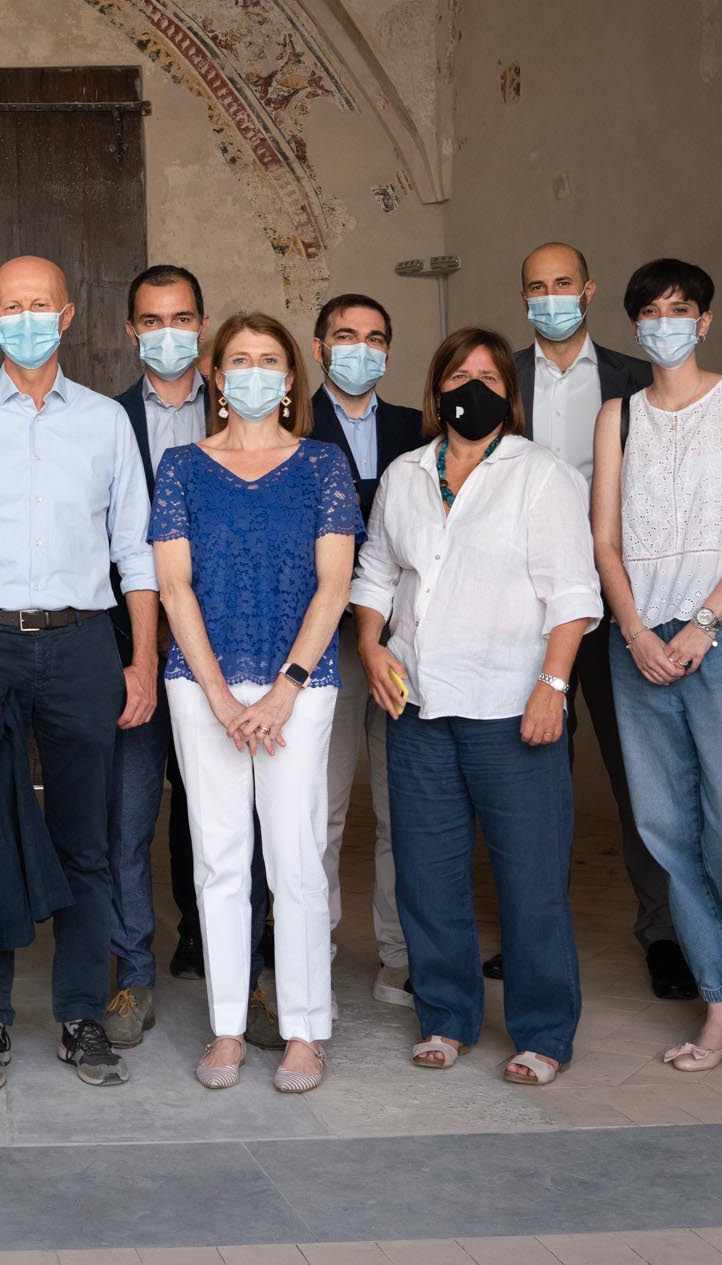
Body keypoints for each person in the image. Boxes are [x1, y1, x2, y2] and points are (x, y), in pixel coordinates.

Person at [0, 255, 158, 1091]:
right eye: (11, 306)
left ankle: (81, 1012)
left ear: (67, 315)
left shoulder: (104, 421)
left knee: (86, 839)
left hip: (83, 644)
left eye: (40, 304)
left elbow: (136, 551)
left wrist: (142, 659)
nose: (26, 318)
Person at [351, 327, 599, 1086]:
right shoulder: (405, 474)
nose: (473, 388)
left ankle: (543, 1032)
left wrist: (554, 686)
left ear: (508, 395)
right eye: (459, 376)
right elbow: (375, 572)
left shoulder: (542, 474)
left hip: (511, 707)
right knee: (428, 877)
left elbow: (573, 593)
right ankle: (446, 1017)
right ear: (437, 390)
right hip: (418, 707)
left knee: (530, 880)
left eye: (488, 377)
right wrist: (371, 646)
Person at [593, 258, 722, 1075]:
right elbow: (604, 539)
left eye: (679, 309)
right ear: (634, 323)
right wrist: (635, 630)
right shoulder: (618, 417)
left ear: (704, 321)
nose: (664, 323)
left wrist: (705, 622)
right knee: (668, 831)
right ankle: (718, 1004)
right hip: (641, 642)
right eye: (650, 311)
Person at [152, 311, 360, 1094]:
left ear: (290, 377)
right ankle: (228, 1026)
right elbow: (174, 586)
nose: (253, 372)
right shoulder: (180, 466)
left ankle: (305, 1029)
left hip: (297, 687)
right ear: (215, 374)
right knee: (219, 857)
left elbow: (334, 585)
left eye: (269, 359)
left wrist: (284, 689)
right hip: (201, 682)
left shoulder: (323, 465)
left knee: (296, 856)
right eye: (239, 359)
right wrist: (216, 693)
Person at [515, 241, 693, 1001]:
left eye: (563, 283)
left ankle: (666, 932)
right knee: (531, 780)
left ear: (587, 291)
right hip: (527, 612)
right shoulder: (502, 379)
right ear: (524, 297)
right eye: (537, 287)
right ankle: (531, 934)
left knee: (641, 776)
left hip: (623, 606)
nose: (551, 297)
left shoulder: (634, 378)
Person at [102, 264, 215, 1050]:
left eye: (180, 318)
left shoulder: (243, 405)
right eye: (151, 320)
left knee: (225, 815)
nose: (167, 332)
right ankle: (130, 969)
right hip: (132, 646)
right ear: (131, 330)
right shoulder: (105, 419)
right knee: (129, 815)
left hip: (226, 647)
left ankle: (227, 956)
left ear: (201, 324)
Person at [309, 293, 423, 1008]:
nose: (361, 348)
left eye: (375, 337)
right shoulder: (293, 424)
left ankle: (400, 955)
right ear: (318, 347)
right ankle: (311, 946)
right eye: (346, 335)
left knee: (402, 807)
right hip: (324, 642)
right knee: (319, 807)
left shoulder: (419, 428)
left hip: (403, 641)